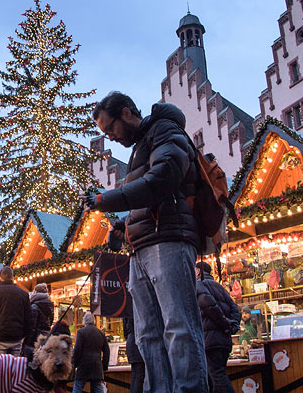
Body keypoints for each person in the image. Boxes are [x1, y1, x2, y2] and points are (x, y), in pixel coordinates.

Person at [85, 91, 208, 392]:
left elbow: (163, 179)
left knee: (179, 327)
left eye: (110, 128)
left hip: (170, 240)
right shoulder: (140, 145)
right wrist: (124, 223)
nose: (110, 137)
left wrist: (104, 199)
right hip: (142, 247)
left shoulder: (165, 130)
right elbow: (150, 197)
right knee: (147, 335)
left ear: (126, 113)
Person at [195, 262, 241, 393]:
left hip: (209, 340)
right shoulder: (221, 288)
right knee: (214, 377)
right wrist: (232, 326)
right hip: (223, 340)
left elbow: (209, 306)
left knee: (217, 376)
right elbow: (235, 310)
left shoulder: (199, 284)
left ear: (198, 271)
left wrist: (225, 324)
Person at [0, 266, 32, 356]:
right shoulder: (23, 294)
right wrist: (24, 335)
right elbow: (28, 318)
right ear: (12, 277)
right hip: (16, 338)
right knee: (14, 368)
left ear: (0, 278)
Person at [72, 312, 110, 393]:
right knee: (98, 388)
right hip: (97, 366)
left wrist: (74, 364)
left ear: (84, 321)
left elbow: (77, 350)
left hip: (83, 366)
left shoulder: (81, 332)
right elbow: (107, 351)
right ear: (94, 321)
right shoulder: (101, 333)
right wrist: (104, 366)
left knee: (78, 388)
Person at [23, 283, 54, 359]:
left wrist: (27, 341)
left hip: (35, 338)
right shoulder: (50, 305)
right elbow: (50, 321)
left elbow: (32, 325)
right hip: (46, 336)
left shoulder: (34, 306)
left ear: (35, 292)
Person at [123, 317, 145, 393]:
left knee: (135, 375)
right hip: (137, 344)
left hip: (130, 344)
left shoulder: (125, 314)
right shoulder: (135, 313)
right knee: (139, 375)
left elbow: (125, 334)